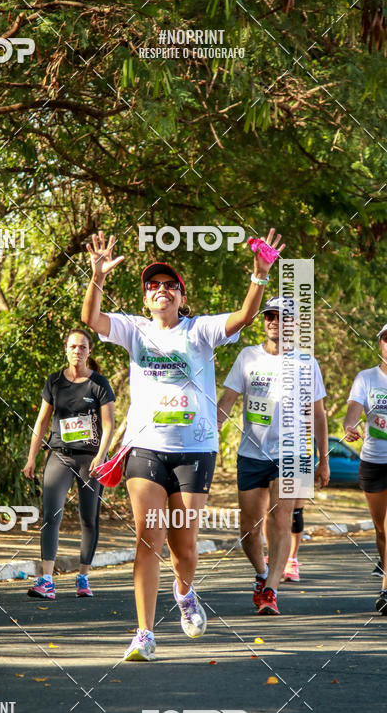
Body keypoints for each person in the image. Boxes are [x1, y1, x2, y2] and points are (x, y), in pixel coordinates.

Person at [82, 229, 284, 661]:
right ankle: (144, 633)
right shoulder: (134, 331)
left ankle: (185, 591)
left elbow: (245, 317)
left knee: (184, 546)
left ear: (181, 296)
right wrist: (96, 277)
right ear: (144, 299)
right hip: (146, 449)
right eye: (152, 286)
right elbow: (92, 320)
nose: (161, 290)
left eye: (169, 285)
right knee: (147, 538)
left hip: (195, 451)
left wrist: (260, 274)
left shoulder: (200, 332)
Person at [217, 297, 330, 615]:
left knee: (281, 520)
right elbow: (227, 400)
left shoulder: (307, 364)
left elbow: (318, 415)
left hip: (292, 453)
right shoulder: (247, 357)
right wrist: (207, 433)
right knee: (249, 529)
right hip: (252, 453)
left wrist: (324, 459)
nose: (274, 321)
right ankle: (262, 574)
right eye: (269, 316)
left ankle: (271, 591)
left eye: (282, 317)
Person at [22, 328, 115, 600]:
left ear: (89, 351)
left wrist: (101, 456)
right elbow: (41, 422)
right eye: (73, 346)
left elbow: (109, 425)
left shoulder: (99, 383)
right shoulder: (54, 382)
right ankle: (47, 580)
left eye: (82, 347)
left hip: (91, 458)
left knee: (89, 517)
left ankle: (83, 577)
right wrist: (31, 457)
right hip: (59, 455)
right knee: (51, 515)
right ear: (66, 349)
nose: (77, 351)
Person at [344, 323, 387, 614]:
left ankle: (386, 589)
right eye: (386, 339)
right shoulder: (366, 378)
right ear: (380, 345)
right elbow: (353, 412)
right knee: (382, 529)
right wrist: (350, 427)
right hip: (373, 460)